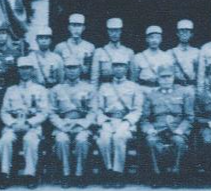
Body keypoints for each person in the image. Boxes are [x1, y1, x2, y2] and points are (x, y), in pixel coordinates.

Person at [0, 55, 49, 188]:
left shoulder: (40, 89)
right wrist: (12, 124)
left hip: (32, 125)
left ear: (32, 70)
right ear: (18, 71)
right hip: (13, 125)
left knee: (30, 140)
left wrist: (29, 123)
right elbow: (4, 112)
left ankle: (30, 174)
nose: (25, 71)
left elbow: (44, 112)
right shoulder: (11, 90)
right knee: (5, 141)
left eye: (27, 68)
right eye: (22, 68)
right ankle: (4, 174)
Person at [96, 51, 143, 185]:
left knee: (119, 137)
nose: (118, 68)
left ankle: (118, 173)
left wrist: (127, 122)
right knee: (104, 138)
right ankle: (108, 171)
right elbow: (99, 109)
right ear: (112, 68)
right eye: (115, 66)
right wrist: (104, 122)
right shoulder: (104, 87)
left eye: (121, 66)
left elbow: (137, 109)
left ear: (127, 68)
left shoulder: (134, 87)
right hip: (108, 121)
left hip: (125, 122)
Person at [141, 64, 194, 184]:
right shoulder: (151, 95)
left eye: (169, 77)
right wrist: (149, 129)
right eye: (162, 77)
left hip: (176, 129)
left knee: (179, 142)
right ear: (158, 79)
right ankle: (157, 175)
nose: (166, 80)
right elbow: (145, 119)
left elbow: (189, 117)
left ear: (173, 77)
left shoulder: (184, 93)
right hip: (157, 129)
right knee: (151, 141)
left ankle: (175, 175)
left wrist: (181, 130)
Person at [49, 56, 97, 186]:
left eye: (74, 68)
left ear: (80, 69)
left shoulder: (89, 88)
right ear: (64, 70)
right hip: (63, 124)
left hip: (81, 125)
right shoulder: (57, 89)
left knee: (82, 140)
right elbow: (52, 112)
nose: (72, 71)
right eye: (69, 68)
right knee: (61, 140)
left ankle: (79, 174)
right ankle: (66, 174)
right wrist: (61, 125)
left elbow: (93, 111)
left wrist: (82, 124)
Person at [91, 18, 135, 87]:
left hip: (124, 89)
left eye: (117, 31)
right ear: (108, 32)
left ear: (120, 31)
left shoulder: (128, 52)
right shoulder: (99, 52)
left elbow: (133, 76)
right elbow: (94, 76)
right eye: (111, 31)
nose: (114, 34)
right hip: (105, 87)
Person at [54, 13, 95, 81]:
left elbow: (92, 70)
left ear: (83, 28)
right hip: (65, 83)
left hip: (83, 82)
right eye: (73, 25)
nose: (76, 29)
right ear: (69, 28)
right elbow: (56, 69)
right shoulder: (60, 47)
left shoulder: (90, 47)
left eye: (79, 26)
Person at [168, 19, 200, 89]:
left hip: (192, 88)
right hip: (176, 88)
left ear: (191, 34)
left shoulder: (197, 52)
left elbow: (200, 73)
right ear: (178, 34)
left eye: (187, 31)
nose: (184, 34)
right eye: (182, 31)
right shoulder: (170, 53)